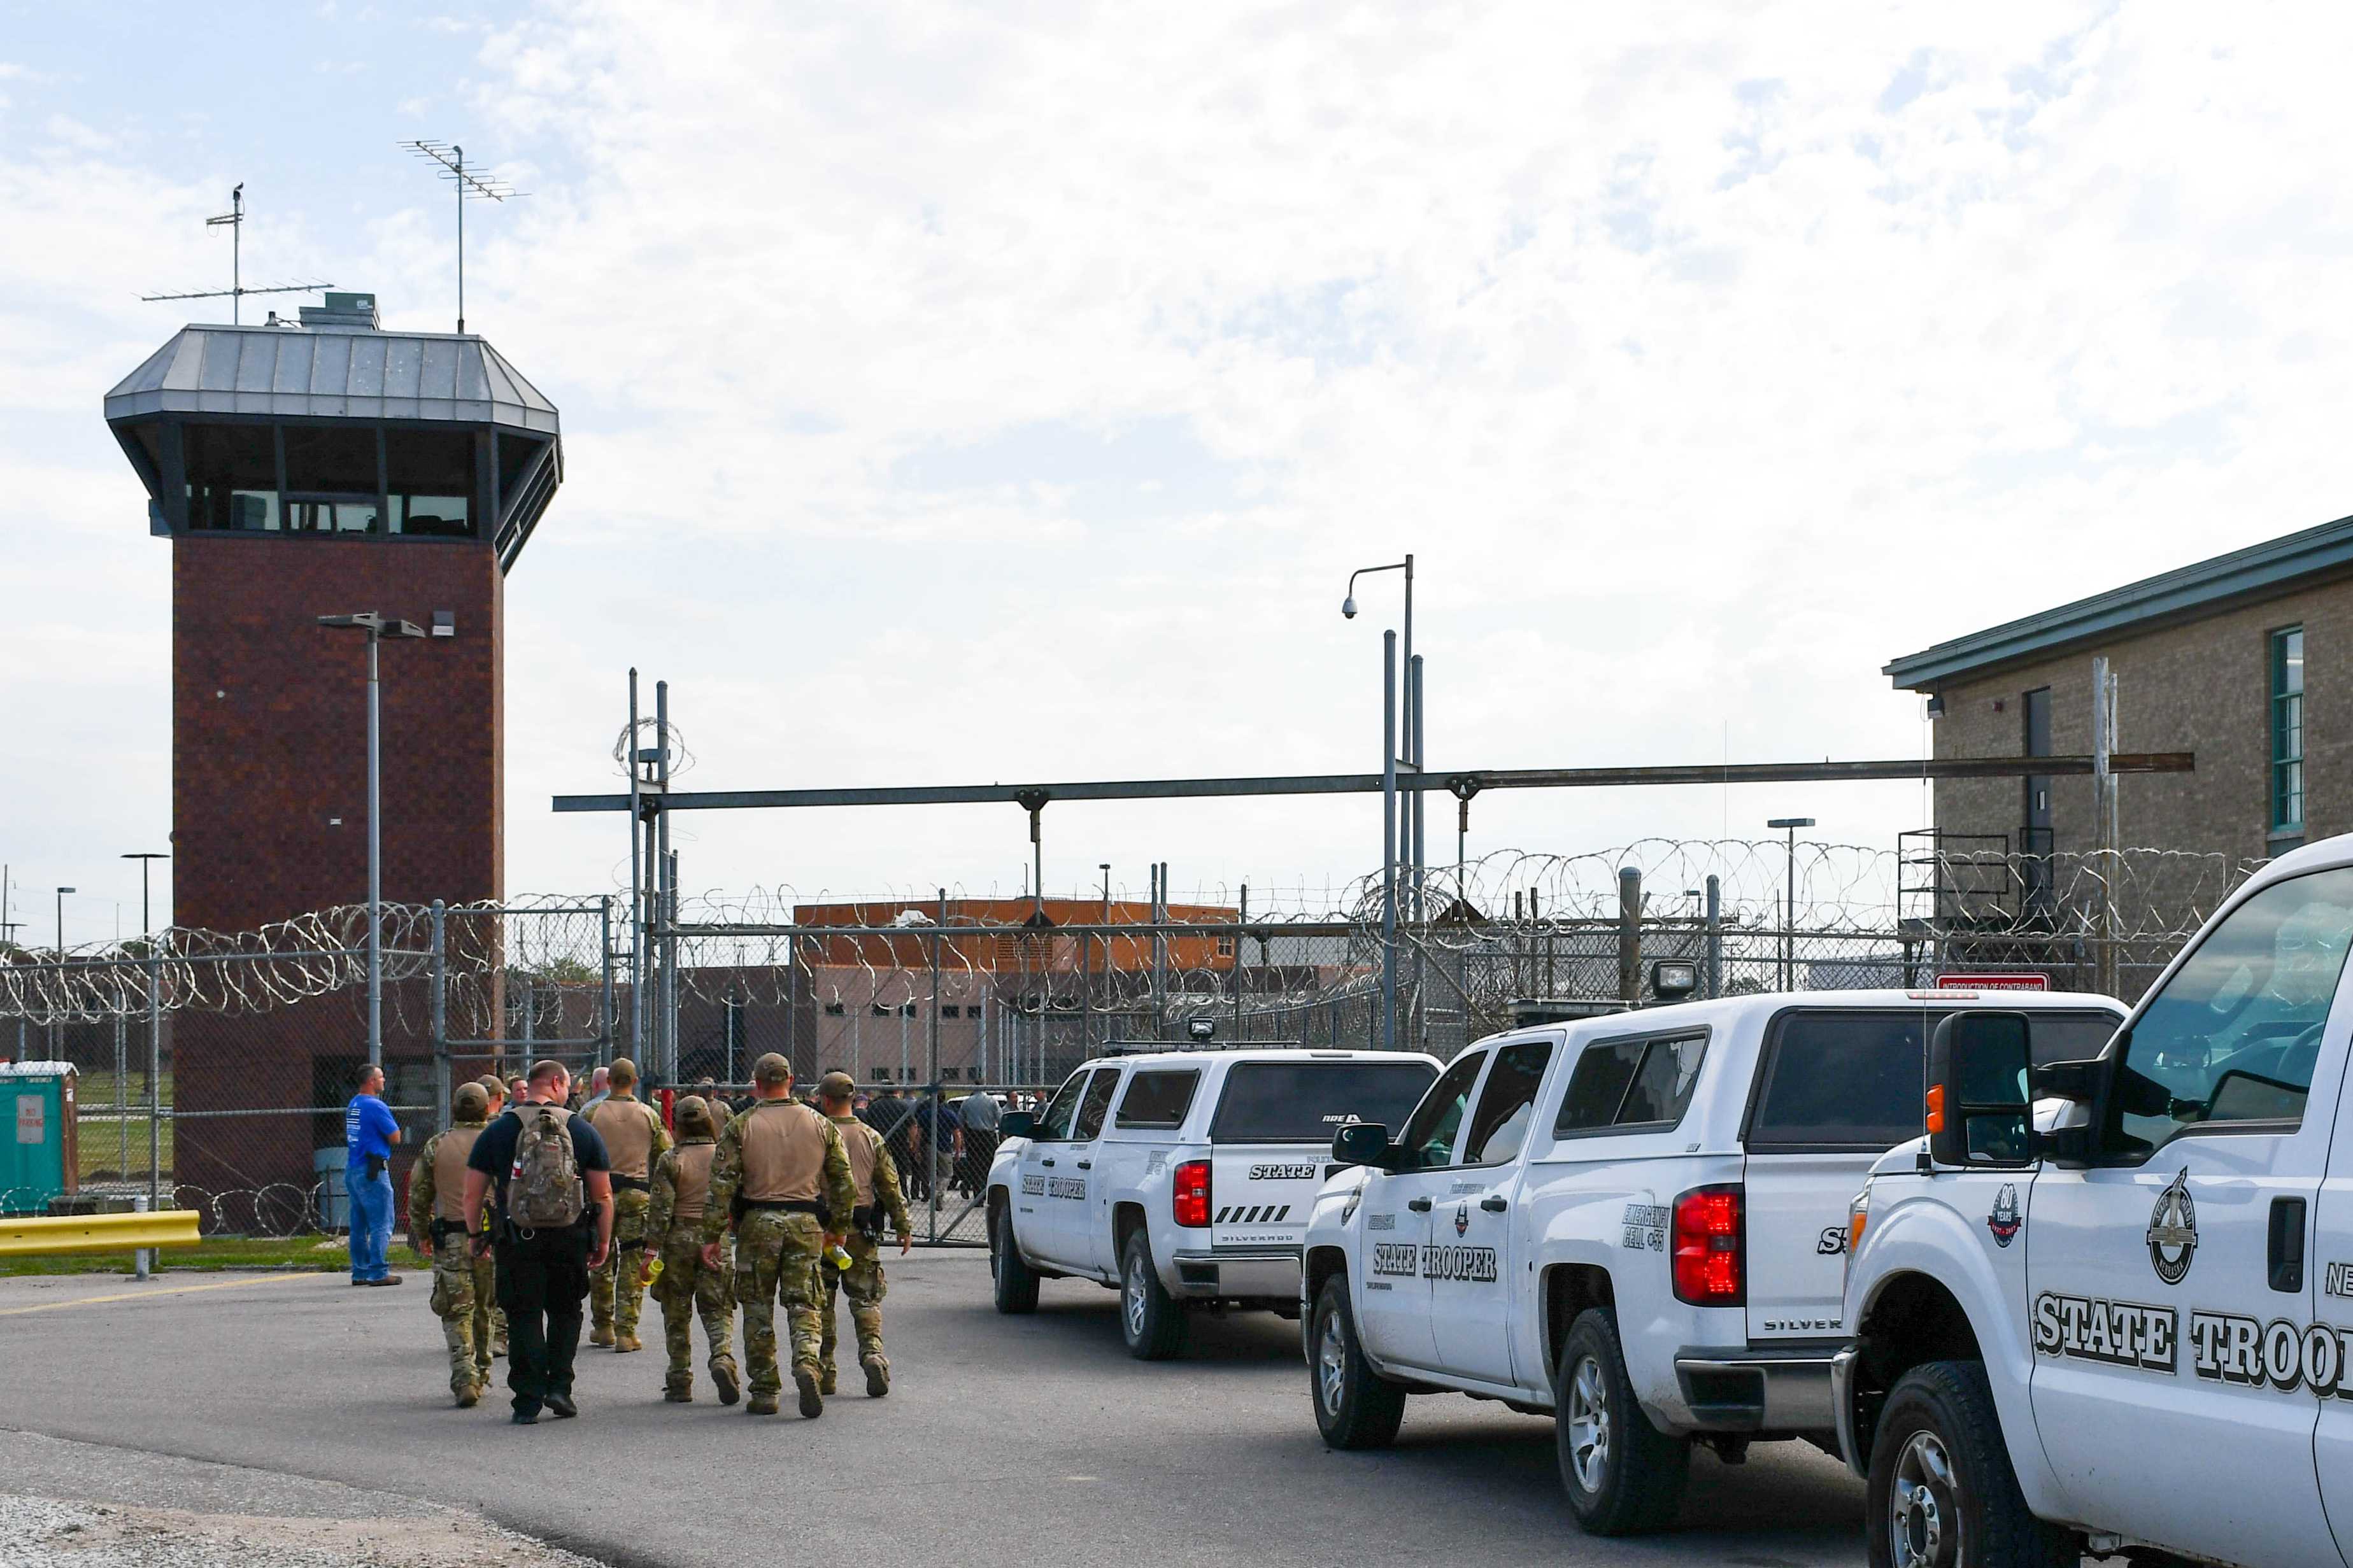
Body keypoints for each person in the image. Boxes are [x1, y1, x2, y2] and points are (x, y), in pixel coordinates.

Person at [700, 1053, 856, 1418]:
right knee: (804, 1302)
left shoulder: (741, 1126)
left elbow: (720, 1186)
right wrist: (838, 1228)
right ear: (792, 1079)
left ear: (756, 1084)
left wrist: (711, 1235)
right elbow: (845, 1183)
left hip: (758, 1221)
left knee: (757, 1307)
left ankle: (765, 1389)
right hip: (806, 1223)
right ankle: (806, 1363)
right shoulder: (821, 1124)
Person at [462, 1059, 613, 1425]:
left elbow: (470, 1194)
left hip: (518, 1239)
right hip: (570, 1237)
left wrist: (474, 1235)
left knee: (523, 1314)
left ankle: (527, 1400)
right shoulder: (580, 1129)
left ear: (528, 1087)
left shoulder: (498, 1131)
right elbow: (604, 1195)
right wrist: (603, 1242)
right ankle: (560, 1388)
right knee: (565, 1312)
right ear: (558, 1083)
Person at [814, 1072, 911, 1398]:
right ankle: (872, 1353)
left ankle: (825, 1371)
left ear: (825, 1099)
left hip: (823, 1228)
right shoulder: (871, 1136)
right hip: (862, 1225)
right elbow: (890, 1183)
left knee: (821, 1301)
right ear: (854, 1099)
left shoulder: (816, 1133)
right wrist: (903, 1224)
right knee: (866, 1298)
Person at [640, 1095, 738, 1404]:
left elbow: (660, 1209)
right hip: (715, 1236)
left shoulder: (671, 1159)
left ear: (678, 1123)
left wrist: (651, 1251)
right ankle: (722, 1355)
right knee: (718, 1306)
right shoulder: (723, 1157)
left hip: (678, 1238)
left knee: (676, 1310)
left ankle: (680, 1378)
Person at [408, 1082, 497, 1406]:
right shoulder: (497, 1141)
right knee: (487, 1306)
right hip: (490, 1238)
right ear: (487, 1107)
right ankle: (483, 1369)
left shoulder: (437, 1145)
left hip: (451, 1239)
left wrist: (422, 1233)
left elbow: (419, 1195)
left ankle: (465, 1374)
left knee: (457, 1308)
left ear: (455, 1108)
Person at [584, 1057, 670, 1352]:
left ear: (609, 1082)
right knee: (633, 1260)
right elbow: (665, 1155)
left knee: (601, 1258)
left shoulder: (593, 1113)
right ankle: (626, 1330)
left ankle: (603, 1325)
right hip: (637, 1193)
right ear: (635, 1081)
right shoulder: (649, 1114)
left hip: (600, 1192)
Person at [344, 1064, 402, 1287]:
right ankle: (378, 1271)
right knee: (381, 1222)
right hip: (373, 1170)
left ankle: (360, 1271)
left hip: (354, 1168)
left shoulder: (354, 1103)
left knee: (359, 1224)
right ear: (371, 1081)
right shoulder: (376, 1106)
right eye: (380, 1077)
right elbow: (395, 1136)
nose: (384, 1080)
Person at [475, 1077, 511, 1357]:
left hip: (468, 1211)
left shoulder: (452, 1135)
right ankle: (498, 1334)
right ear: (497, 1098)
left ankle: (476, 1332)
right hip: (497, 1210)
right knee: (499, 1273)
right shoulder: (504, 1130)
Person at [958, 1087, 1002, 1197]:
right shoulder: (992, 1101)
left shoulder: (967, 1102)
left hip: (973, 1136)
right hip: (988, 1135)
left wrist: (964, 1135)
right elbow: (1000, 1119)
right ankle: (986, 1193)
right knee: (989, 1164)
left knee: (974, 1165)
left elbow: (960, 1121)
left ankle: (977, 1194)